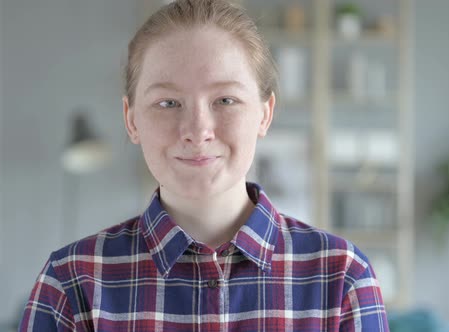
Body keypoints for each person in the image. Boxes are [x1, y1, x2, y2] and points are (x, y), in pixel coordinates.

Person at [20, 0, 389, 331]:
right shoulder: (70, 284)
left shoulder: (343, 278)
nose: (197, 131)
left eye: (225, 99)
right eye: (168, 103)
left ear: (265, 114)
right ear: (131, 120)